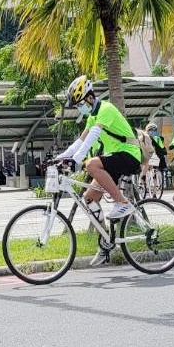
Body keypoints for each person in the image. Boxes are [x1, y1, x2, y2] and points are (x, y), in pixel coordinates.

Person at [53, 74, 143, 266]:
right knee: (89, 198)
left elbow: (93, 136)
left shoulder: (106, 109)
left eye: (80, 104)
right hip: (115, 158)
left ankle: (122, 202)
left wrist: (78, 160)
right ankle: (106, 243)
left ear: (90, 97)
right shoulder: (92, 116)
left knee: (92, 164)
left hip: (129, 154)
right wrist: (60, 158)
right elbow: (81, 140)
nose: (80, 108)